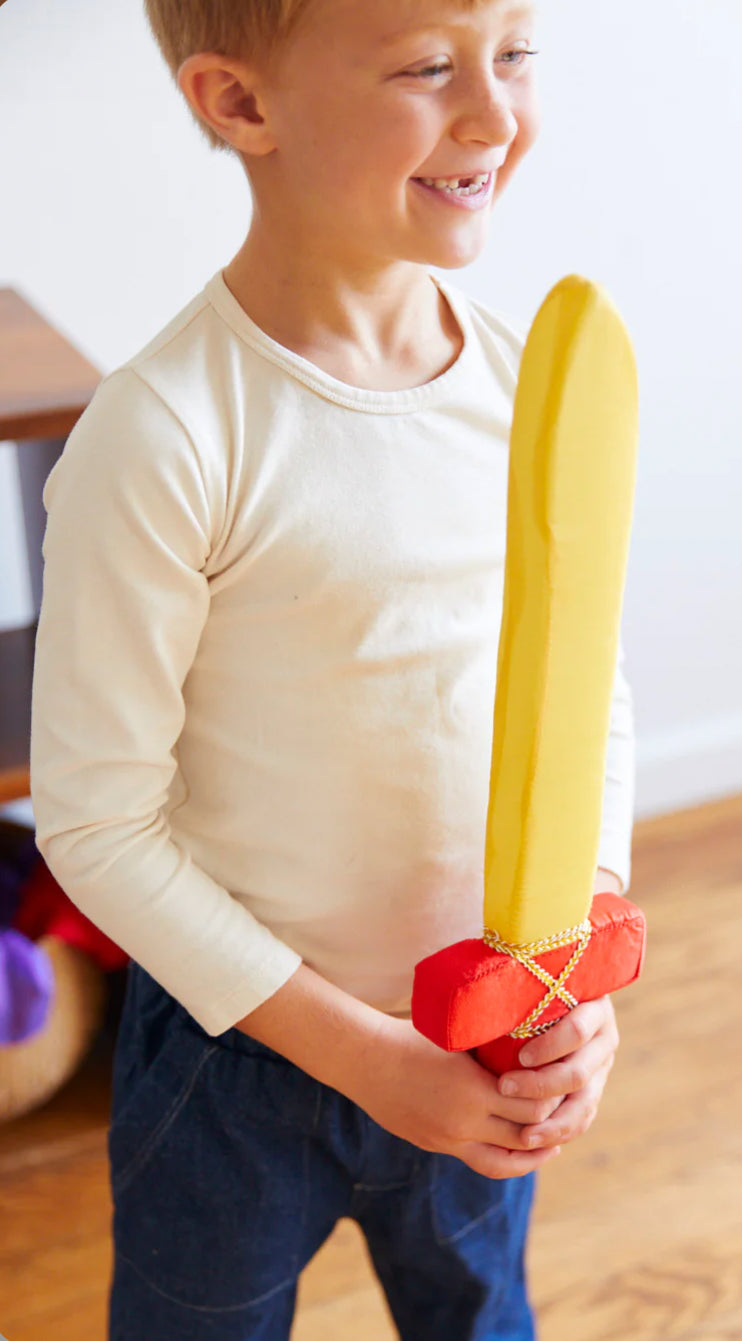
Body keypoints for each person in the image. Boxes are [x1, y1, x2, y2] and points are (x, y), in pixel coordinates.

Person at [29, 1, 635, 1337]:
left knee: (479, 1317)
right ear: (240, 105)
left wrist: (572, 967)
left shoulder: (526, 384)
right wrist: (366, 1060)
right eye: (428, 66)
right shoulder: (169, 437)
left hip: (482, 1030)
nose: (494, 112)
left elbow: (585, 696)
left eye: (516, 50)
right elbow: (96, 822)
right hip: (233, 1072)